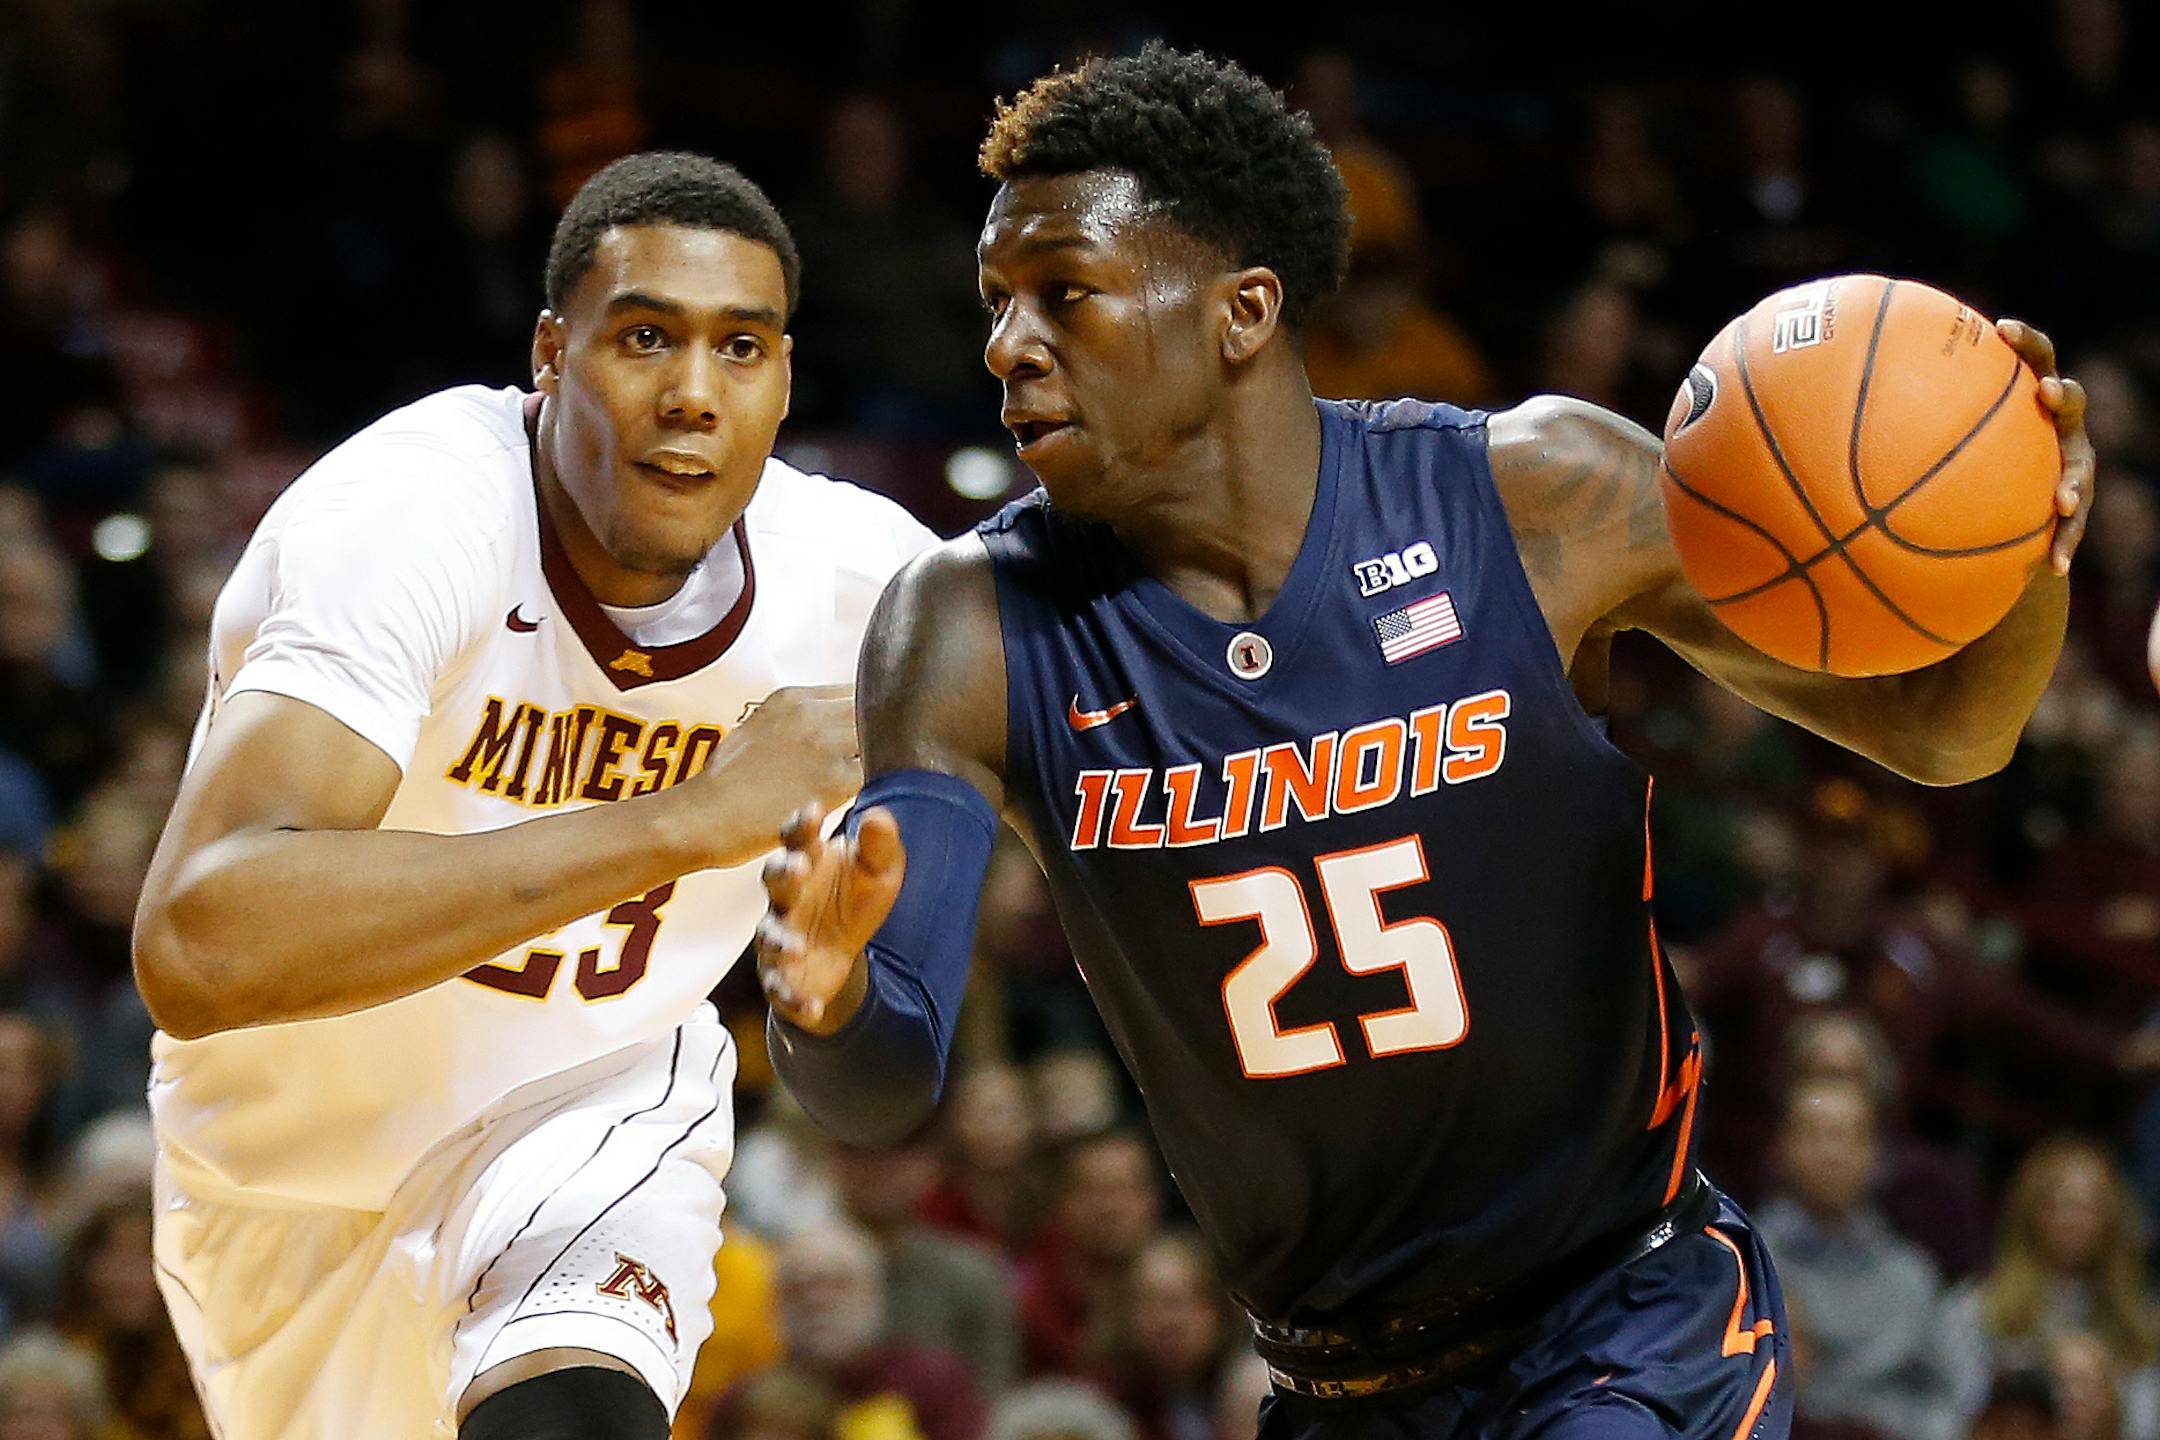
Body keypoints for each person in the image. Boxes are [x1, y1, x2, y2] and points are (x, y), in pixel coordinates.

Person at [755, 44, 2096, 1440]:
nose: (1007, 344)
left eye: (1065, 297)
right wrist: (825, 994)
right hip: (1341, 1388)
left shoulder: (1538, 498)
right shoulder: (970, 626)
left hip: (1626, 1321)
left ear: (1241, 312)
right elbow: (878, 1081)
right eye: (995, 303)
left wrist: (2032, 541)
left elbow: (1947, 735)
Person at [130, 151, 937, 1440]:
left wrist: (831, 983)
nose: (691, 394)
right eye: (643, 338)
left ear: (786, 384)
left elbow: (1117, 758)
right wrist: (679, 824)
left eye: (742, 348)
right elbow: (197, 938)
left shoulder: (871, 584)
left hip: (594, 1099)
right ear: (552, 353)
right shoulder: (411, 517)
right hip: (284, 1176)